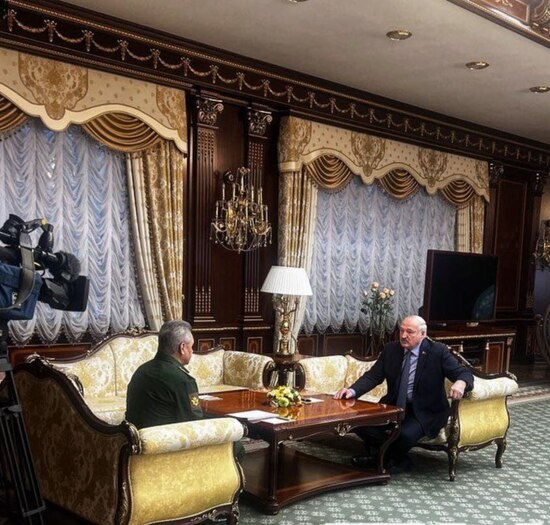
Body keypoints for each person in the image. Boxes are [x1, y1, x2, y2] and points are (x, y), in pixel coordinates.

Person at [334, 315, 473, 473]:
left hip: (425, 411)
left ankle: (378, 459)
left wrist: (461, 382)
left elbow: (464, 373)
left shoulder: (437, 351)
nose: (404, 335)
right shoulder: (391, 349)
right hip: (394, 406)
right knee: (359, 423)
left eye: (410, 332)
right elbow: (373, 376)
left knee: (405, 435)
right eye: (401, 331)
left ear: (423, 334)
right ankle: (399, 459)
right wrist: (352, 391)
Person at [126, 319, 245, 459]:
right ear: (182, 347)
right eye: (191, 346)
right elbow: (194, 422)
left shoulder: (141, 371)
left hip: (136, 446)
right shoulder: (182, 380)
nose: (192, 351)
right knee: (236, 446)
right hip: (167, 450)